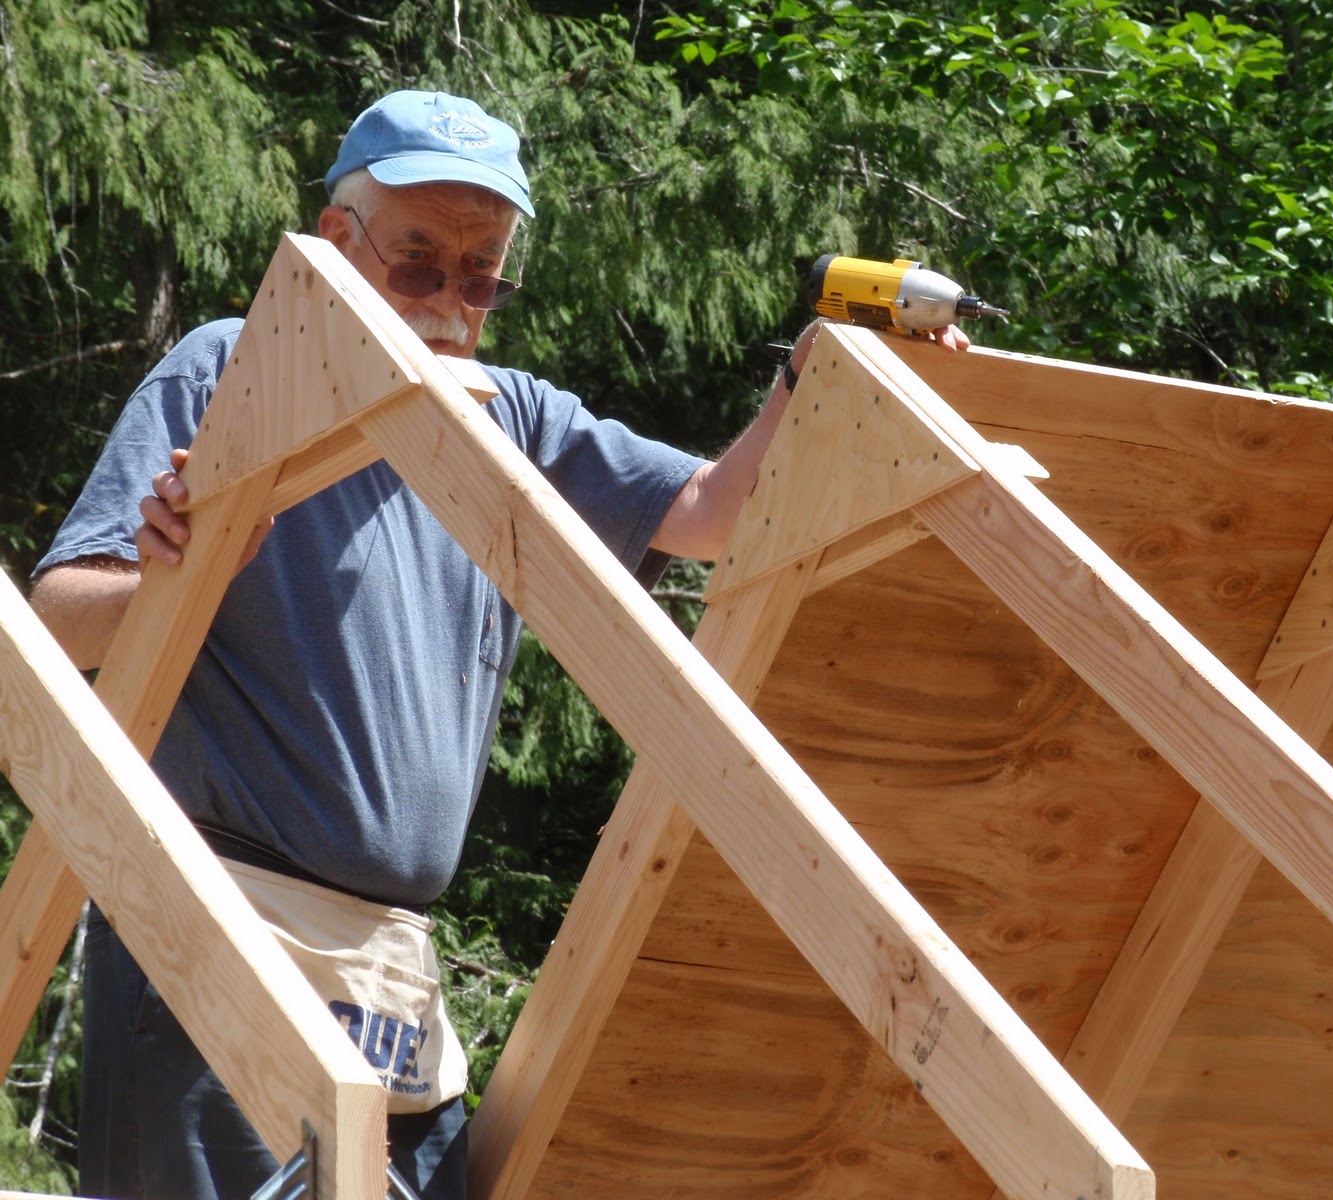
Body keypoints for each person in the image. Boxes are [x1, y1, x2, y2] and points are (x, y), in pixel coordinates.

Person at [29, 89, 967, 1199]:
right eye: (419, 261)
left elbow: (716, 513)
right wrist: (185, 573)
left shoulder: (508, 416)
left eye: (481, 275)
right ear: (335, 238)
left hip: (393, 968)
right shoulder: (233, 370)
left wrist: (818, 373)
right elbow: (57, 618)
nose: (448, 300)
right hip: (216, 913)